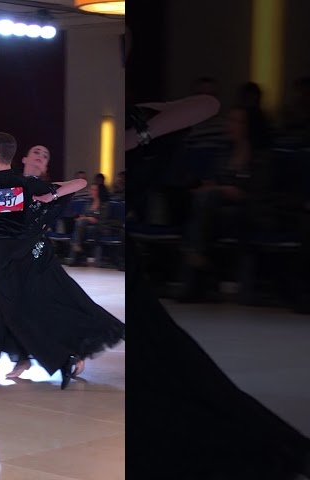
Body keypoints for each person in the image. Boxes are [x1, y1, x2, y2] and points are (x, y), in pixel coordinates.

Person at [126, 93, 310, 479]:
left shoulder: (136, 118)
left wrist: (138, 135)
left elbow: (207, 103)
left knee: (175, 370)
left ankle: (197, 269)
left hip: (241, 217)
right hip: (130, 263)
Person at [0, 135, 125, 389]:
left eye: (45, 156)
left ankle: (40, 359)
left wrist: (51, 195)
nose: (40, 157)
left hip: (35, 260)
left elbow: (79, 182)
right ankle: (2, 364)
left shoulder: (27, 187)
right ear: (21, 157)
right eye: (36, 152)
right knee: (7, 309)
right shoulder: (18, 186)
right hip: (13, 260)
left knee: (29, 310)